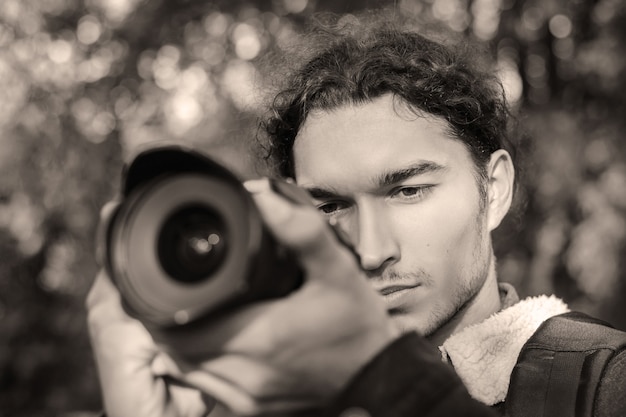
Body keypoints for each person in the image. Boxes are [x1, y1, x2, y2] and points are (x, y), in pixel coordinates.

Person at [86, 11, 626, 417]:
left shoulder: (604, 381)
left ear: (496, 189)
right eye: (329, 206)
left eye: (407, 191)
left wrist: (389, 382)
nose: (370, 250)